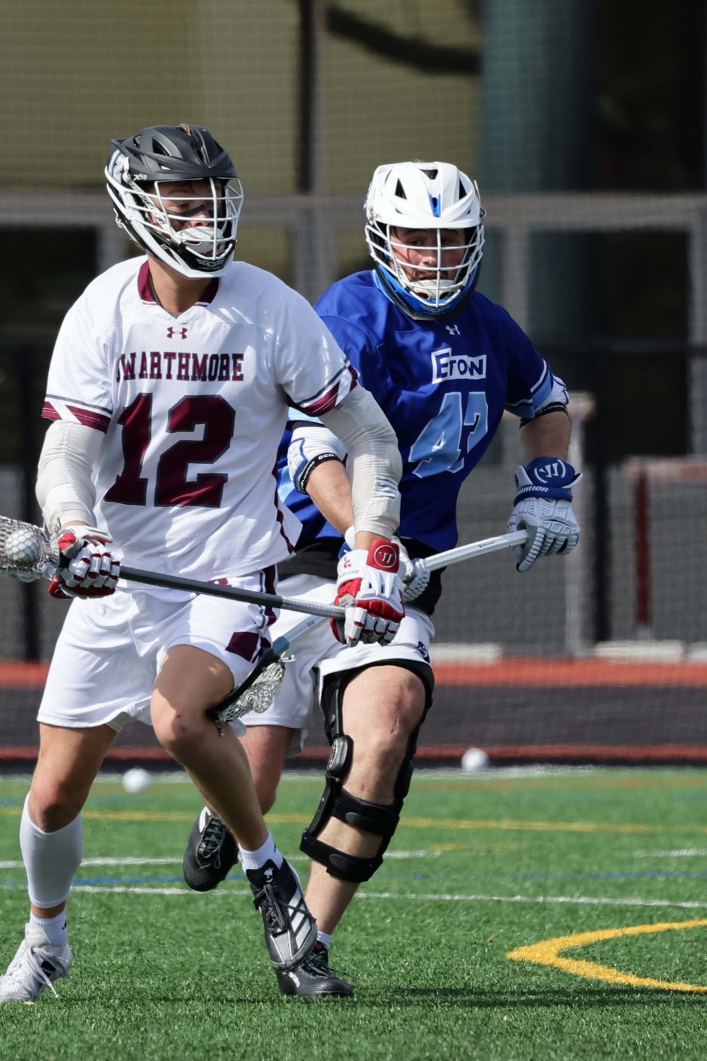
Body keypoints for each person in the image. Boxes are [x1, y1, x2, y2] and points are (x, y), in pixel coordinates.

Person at [0, 124, 409, 1003]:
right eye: (185, 199)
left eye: (214, 195)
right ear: (138, 206)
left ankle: (268, 874)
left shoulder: (268, 305)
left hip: (227, 574)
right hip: (122, 581)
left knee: (178, 718)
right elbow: (66, 453)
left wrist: (371, 542)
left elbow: (364, 430)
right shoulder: (103, 309)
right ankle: (46, 939)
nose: (206, 214)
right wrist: (71, 524)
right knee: (54, 794)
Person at [179, 161, 578, 995]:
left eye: (450, 241)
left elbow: (545, 400)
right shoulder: (348, 316)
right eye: (416, 240)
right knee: (255, 767)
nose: (433, 259)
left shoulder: (487, 326)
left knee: (386, 732)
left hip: (403, 571)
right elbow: (316, 450)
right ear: (380, 236)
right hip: (302, 553)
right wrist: (365, 539)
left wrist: (548, 482)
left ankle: (306, 941)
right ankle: (227, 805)